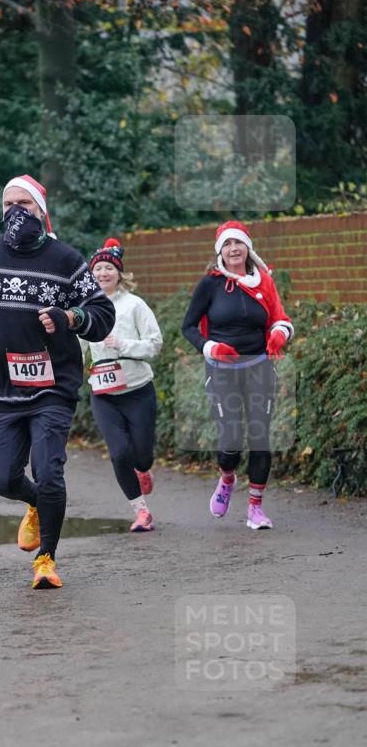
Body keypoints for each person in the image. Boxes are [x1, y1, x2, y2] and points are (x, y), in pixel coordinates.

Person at [0, 174, 115, 588]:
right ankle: (34, 506)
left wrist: (70, 318)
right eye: (8, 205)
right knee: (3, 479)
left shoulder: (64, 259)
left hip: (51, 387)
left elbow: (101, 313)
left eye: (24, 204)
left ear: (42, 211)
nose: (15, 212)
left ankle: (46, 559)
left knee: (49, 472)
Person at [182, 220, 294, 530]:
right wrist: (210, 347)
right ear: (220, 250)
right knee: (230, 439)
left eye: (239, 243)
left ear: (247, 248)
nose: (234, 249)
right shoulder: (211, 284)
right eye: (228, 244)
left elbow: (280, 318)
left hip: (258, 368)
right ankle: (227, 477)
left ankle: (256, 509)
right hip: (222, 372)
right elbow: (188, 327)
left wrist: (279, 335)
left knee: (260, 439)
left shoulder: (264, 282)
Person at [81, 238, 163, 532]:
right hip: (103, 395)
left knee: (141, 454)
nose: (103, 273)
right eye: (98, 269)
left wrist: (123, 344)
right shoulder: (86, 309)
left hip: (138, 391)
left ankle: (144, 468)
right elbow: (76, 349)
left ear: (119, 273)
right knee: (118, 453)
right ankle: (141, 512)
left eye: (108, 268)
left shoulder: (134, 305)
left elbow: (155, 345)